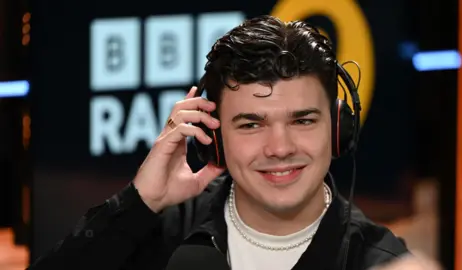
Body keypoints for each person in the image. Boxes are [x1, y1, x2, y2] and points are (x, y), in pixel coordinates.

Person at [29, 15, 413, 270]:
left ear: (337, 128)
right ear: (213, 136)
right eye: (251, 124)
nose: (279, 147)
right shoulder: (162, 233)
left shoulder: (380, 261)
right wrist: (138, 202)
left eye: (303, 120)